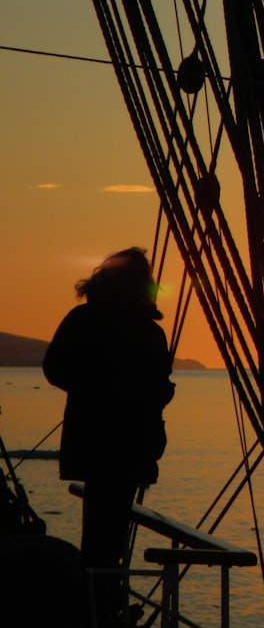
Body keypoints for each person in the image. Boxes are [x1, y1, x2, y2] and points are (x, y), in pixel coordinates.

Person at [43, 247, 175, 628]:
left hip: (97, 439)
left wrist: (90, 390)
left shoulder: (84, 319)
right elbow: (155, 387)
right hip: (128, 444)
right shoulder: (148, 331)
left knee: (103, 529)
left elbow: (55, 368)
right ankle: (100, 604)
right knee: (108, 532)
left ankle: (99, 602)